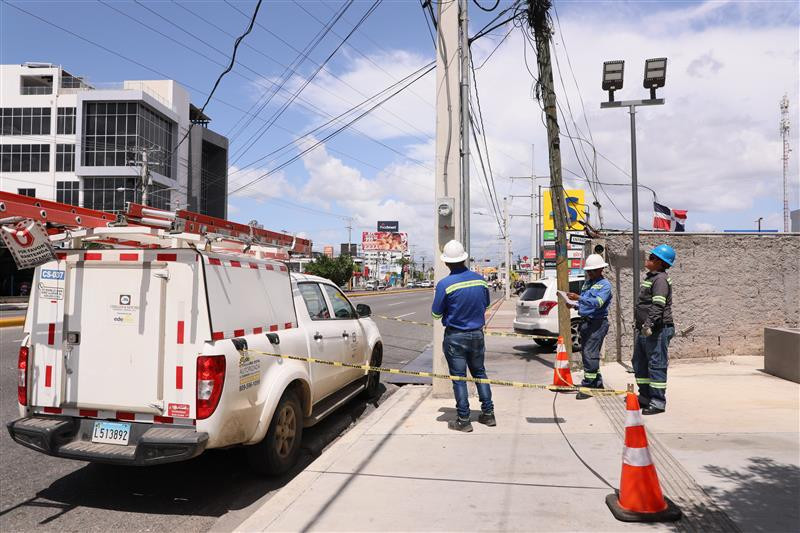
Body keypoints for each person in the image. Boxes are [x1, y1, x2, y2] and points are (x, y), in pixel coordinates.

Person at [431, 240, 495, 432]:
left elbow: (436, 314)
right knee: (480, 373)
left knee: (459, 378)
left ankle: (464, 419)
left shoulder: (445, 285)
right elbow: (486, 306)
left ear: (446, 263)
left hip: (455, 337)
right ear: (464, 258)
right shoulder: (481, 280)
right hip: (477, 335)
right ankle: (488, 414)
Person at [633, 244, 676, 415]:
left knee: (656, 365)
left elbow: (658, 305)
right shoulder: (651, 277)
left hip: (656, 330)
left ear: (660, 262)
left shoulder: (660, 280)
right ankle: (645, 397)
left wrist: (649, 324)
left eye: (652, 258)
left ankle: (658, 402)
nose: (648, 259)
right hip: (645, 329)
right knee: (639, 363)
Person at [566, 253, 612, 400]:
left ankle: (589, 386)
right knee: (587, 353)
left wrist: (579, 298)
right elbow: (585, 303)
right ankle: (597, 383)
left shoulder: (605, 285)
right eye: (588, 271)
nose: (590, 273)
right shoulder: (587, 283)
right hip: (585, 322)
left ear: (600, 270)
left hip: (597, 323)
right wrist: (574, 304)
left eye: (593, 271)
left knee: (589, 354)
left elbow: (598, 303)